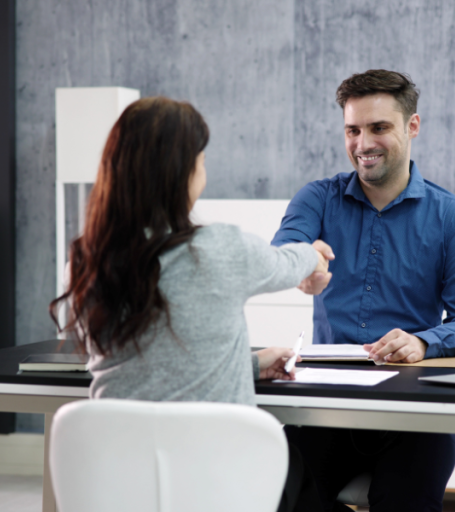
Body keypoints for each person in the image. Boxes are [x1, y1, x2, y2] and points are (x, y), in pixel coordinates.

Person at [50, 96, 333, 512]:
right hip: (220, 487)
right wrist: (315, 255)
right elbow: (292, 262)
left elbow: (154, 367)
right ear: (182, 173)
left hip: (122, 485)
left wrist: (251, 365)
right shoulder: (219, 249)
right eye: (201, 160)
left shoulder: (83, 263)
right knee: (299, 473)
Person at [271, 70, 455, 511]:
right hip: (327, 407)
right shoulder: (317, 198)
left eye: (378, 128)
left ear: (413, 126)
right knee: (276, 493)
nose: (363, 143)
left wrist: (423, 341)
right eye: (352, 130)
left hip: (416, 414)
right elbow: (286, 249)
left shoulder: (454, 219)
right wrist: (301, 263)